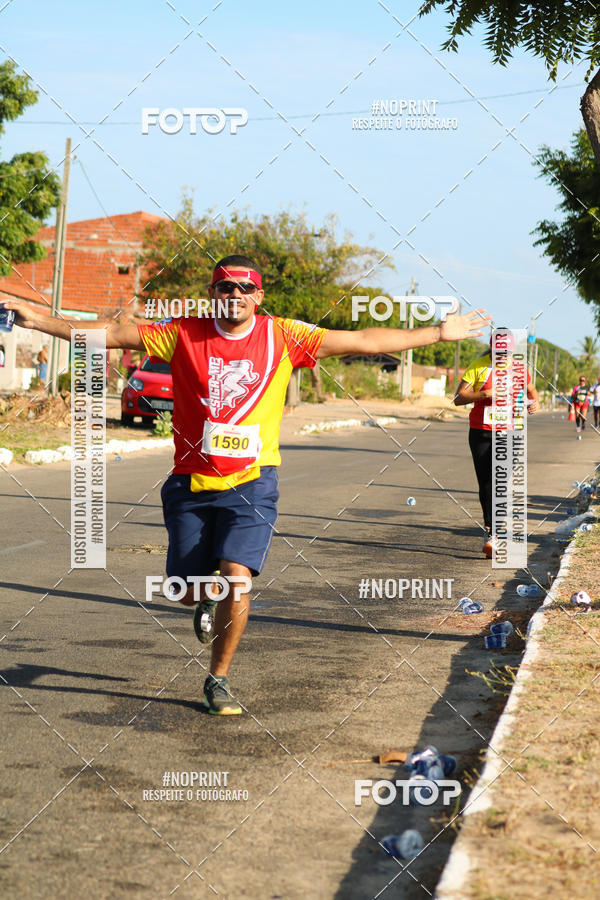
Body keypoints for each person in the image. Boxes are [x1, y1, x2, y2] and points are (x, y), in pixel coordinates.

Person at [4, 256, 490, 715]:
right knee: (187, 592)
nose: (234, 294)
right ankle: (206, 599)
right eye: (224, 287)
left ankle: (217, 678)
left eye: (244, 288)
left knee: (238, 575)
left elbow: (362, 338)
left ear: (259, 296)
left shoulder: (283, 335)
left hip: (253, 482)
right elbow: (108, 333)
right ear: (212, 293)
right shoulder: (182, 332)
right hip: (190, 483)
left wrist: (436, 333)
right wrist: (36, 319)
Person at [454, 332, 538, 558]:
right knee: (486, 483)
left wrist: (533, 403)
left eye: (506, 353)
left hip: (510, 432)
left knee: (501, 480)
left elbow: (531, 391)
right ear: (492, 350)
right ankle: (492, 531)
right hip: (481, 431)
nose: (502, 357)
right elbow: (458, 397)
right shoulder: (479, 366)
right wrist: (485, 393)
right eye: (498, 353)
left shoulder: (520, 369)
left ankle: (496, 531)